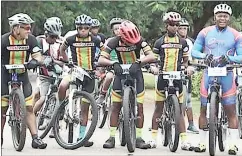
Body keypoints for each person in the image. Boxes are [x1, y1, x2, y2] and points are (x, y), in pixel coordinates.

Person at [191, 3, 242, 155]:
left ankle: (233, 144)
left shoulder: (236, 34)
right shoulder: (205, 32)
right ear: (214, 17)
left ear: (229, 18)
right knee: (203, 109)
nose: (222, 18)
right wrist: (205, 56)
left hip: (227, 74)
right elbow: (195, 51)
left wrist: (229, 58)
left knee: (231, 110)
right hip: (209, 73)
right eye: (219, 15)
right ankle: (201, 143)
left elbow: (240, 56)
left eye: (225, 16)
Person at [98, 20, 156, 149]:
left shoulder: (140, 40)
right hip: (120, 73)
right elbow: (101, 59)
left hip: (136, 73)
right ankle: (111, 137)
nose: (131, 43)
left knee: (140, 106)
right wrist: (113, 64)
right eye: (129, 41)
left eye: (133, 42)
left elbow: (152, 56)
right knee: (115, 106)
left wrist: (139, 62)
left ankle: (139, 137)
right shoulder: (113, 41)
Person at [1, 13, 48, 149]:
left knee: (28, 107)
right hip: (4, 74)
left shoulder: (31, 40)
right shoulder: (4, 40)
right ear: (16, 28)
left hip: (22, 74)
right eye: (26, 28)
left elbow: (39, 57)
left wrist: (35, 61)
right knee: (2, 109)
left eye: (30, 27)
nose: (29, 30)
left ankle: (35, 138)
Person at [148, 12, 193, 151]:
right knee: (158, 108)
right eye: (172, 25)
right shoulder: (159, 42)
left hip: (177, 77)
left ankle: (184, 140)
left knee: (179, 111)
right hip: (162, 76)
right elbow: (153, 60)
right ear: (166, 25)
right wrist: (153, 68)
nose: (174, 27)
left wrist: (188, 68)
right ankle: (153, 138)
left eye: (177, 25)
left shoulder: (183, 42)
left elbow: (186, 61)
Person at [58, 14, 103, 147]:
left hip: (89, 73)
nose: (83, 30)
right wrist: (67, 61)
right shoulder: (70, 39)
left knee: (85, 107)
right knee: (63, 85)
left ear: (90, 28)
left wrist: (99, 65)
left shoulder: (95, 40)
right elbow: (62, 49)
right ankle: (61, 107)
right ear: (76, 28)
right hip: (75, 71)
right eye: (80, 28)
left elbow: (104, 50)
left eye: (86, 28)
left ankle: (82, 136)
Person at [32, 17, 64, 138]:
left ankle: (54, 127)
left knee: (60, 100)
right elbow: (36, 57)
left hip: (57, 76)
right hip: (44, 76)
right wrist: (45, 61)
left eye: (56, 37)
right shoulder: (39, 41)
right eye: (52, 37)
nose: (54, 39)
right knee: (41, 98)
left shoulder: (61, 42)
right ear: (46, 33)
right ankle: (29, 119)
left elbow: (65, 60)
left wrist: (56, 62)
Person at [177, 18, 199, 134]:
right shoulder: (172, 41)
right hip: (172, 71)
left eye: (185, 28)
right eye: (180, 28)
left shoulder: (191, 42)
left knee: (188, 99)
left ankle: (190, 124)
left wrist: (193, 68)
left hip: (186, 71)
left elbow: (195, 59)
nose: (182, 31)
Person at [96, 17, 123, 105]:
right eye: (116, 29)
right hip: (112, 65)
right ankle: (102, 94)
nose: (118, 31)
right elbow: (103, 54)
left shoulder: (129, 40)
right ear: (112, 31)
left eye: (120, 28)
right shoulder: (109, 41)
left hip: (125, 66)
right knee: (109, 77)